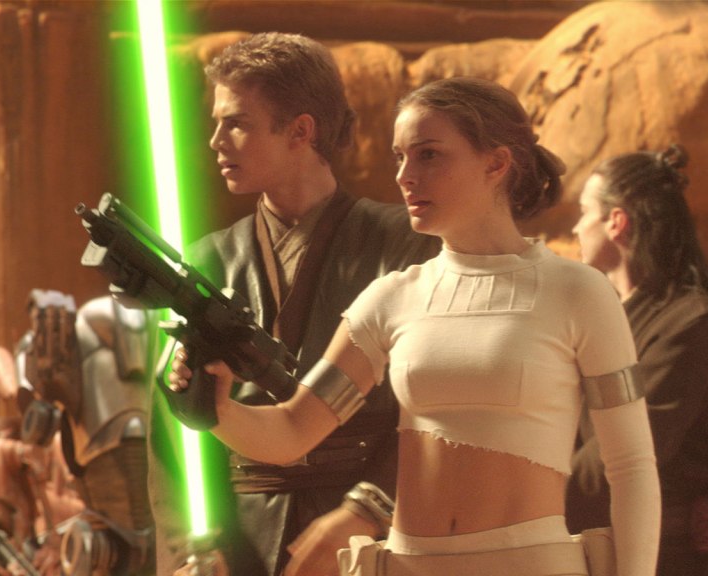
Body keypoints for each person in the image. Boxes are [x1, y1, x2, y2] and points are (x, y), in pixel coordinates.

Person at [171, 76, 661, 576]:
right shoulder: (393, 296)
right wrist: (215, 408)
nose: (406, 175)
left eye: (428, 155)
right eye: (400, 157)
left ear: (496, 163)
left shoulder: (578, 291)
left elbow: (632, 466)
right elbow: (293, 431)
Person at [147, 32, 441, 576]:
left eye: (236, 123)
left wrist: (369, 509)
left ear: (301, 131)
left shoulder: (405, 243)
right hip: (237, 544)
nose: (215, 140)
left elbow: (435, 404)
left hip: (371, 538)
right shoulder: (204, 261)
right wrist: (192, 548)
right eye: (217, 123)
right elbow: (175, 428)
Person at [568, 144, 708, 575]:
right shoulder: (613, 319)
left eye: (584, 212)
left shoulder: (694, 325)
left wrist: (520, 502)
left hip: (702, 562)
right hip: (640, 553)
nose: (576, 226)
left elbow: (623, 451)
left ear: (616, 221)